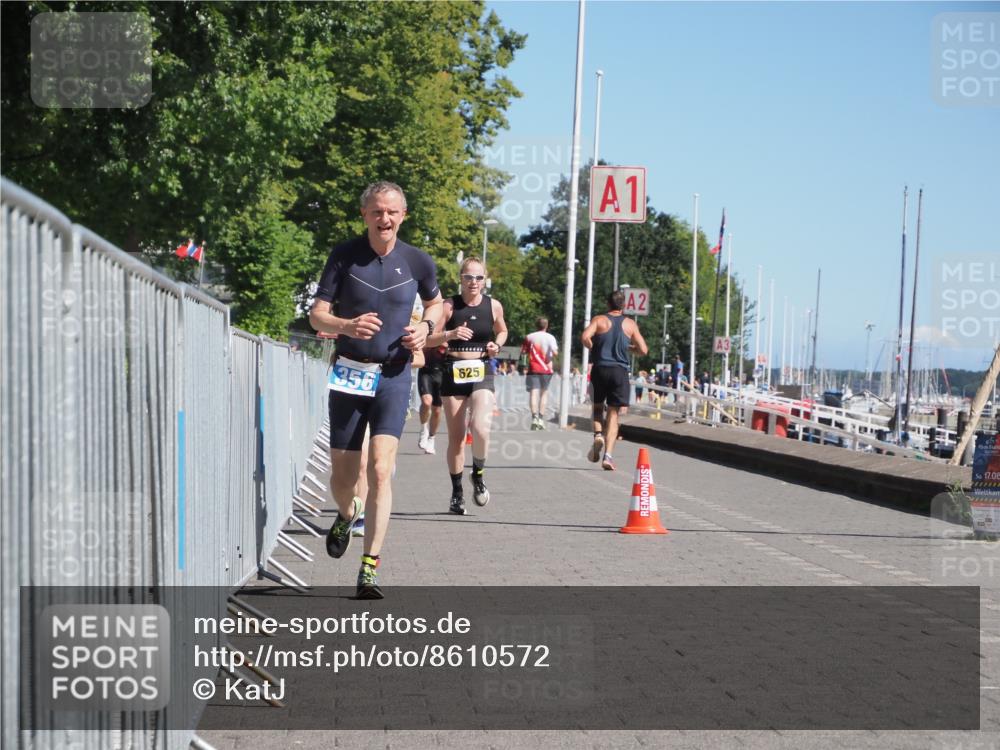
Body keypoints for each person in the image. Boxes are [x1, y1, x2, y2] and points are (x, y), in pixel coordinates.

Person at [309, 181, 443, 599]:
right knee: (343, 478)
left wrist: (424, 328)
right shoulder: (344, 256)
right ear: (364, 215)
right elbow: (317, 316)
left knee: (382, 469)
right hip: (349, 372)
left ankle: (369, 568)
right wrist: (346, 326)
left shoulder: (417, 261)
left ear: (403, 215)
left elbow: (436, 305)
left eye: (392, 212)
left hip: (394, 374)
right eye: (376, 212)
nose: (385, 219)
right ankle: (347, 514)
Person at [426, 257, 508, 514]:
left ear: (485, 280)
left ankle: (479, 474)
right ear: (460, 278)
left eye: (479, 277)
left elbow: (502, 331)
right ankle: (457, 492)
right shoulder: (448, 306)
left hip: (481, 369)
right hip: (454, 372)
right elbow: (429, 339)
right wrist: (450, 334)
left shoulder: (493, 306)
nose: (474, 282)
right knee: (457, 438)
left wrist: (498, 344)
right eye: (469, 277)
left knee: (481, 428)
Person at [581, 290, 648, 471]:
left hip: (600, 368)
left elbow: (585, 337)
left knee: (596, 408)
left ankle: (597, 435)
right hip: (619, 371)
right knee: (613, 414)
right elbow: (643, 350)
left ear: (607, 304)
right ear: (623, 305)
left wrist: (594, 347)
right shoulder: (630, 324)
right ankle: (608, 456)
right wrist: (629, 348)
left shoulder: (599, 320)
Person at [521, 317, 559, 430]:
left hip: (533, 368)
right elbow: (555, 353)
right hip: (546, 369)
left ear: (536, 325)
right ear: (546, 326)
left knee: (533, 393)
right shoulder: (550, 337)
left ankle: (534, 418)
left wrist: (523, 367)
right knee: (544, 394)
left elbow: (523, 352)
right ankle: (541, 419)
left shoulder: (529, 337)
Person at [417, 343, 446, 454]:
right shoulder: (430, 328)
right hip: (426, 371)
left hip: (442, 373)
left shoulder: (453, 330)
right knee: (426, 401)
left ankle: (431, 438)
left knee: (437, 410)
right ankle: (424, 429)